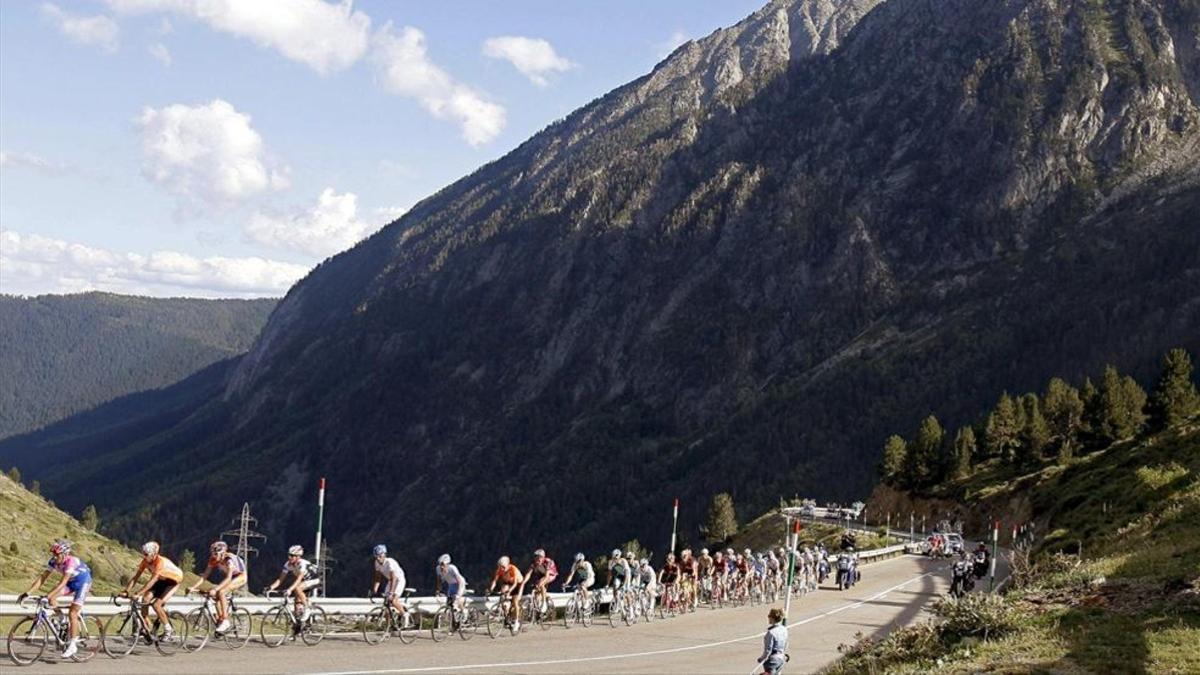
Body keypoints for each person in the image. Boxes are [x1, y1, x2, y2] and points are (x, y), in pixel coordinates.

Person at [19, 540, 92, 658]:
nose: (54, 557)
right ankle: (62, 620)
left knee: (72, 613)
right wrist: (27, 593)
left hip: (83, 582)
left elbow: (63, 582)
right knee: (51, 598)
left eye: (56, 555)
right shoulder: (53, 561)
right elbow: (42, 578)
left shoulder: (70, 562)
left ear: (64, 554)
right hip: (71, 582)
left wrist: (47, 595)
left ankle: (73, 645)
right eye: (53, 554)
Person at [123, 541, 183, 639]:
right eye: (143, 553)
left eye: (146, 554)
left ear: (154, 554)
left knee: (156, 605)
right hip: (162, 580)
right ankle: (148, 627)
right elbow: (135, 577)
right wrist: (126, 591)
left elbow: (152, 581)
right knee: (145, 599)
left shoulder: (160, 562)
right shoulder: (145, 561)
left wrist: (138, 593)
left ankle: (168, 630)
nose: (144, 556)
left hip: (173, 581)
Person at [187, 541, 246, 634]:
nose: (214, 556)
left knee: (221, 592)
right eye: (212, 554)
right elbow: (205, 576)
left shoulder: (228, 560)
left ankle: (225, 621)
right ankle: (221, 619)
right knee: (214, 595)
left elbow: (228, 578)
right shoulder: (213, 559)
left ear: (222, 553)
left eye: (216, 554)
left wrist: (216, 589)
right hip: (229, 577)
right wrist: (193, 587)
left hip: (240, 576)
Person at [265, 545, 319, 622]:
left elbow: (298, 579)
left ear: (298, 557)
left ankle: (307, 608)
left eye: (292, 556)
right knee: (296, 602)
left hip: (313, 579)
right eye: (289, 555)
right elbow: (280, 579)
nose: (289, 557)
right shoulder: (287, 564)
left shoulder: (302, 564)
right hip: (303, 581)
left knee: (297, 588)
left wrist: (289, 589)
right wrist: (270, 587)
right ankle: (298, 623)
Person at [369, 545, 410, 620]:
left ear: (384, 555)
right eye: (376, 556)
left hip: (399, 580)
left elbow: (394, 578)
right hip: (390, 580)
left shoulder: (390, 562)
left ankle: (405, 615)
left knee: (393, 600)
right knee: (386, 604)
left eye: (380, 556)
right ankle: (389, 626)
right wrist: (375, 589)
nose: (378, 558)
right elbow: (378, 578)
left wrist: (391, 593)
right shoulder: (376, 563)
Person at [488, 555, 525, 630]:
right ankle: (506, 615)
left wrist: (509, 591)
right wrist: (490, 589)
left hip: (518, 584)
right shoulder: (499, 570)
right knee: (502, 593)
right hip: (508, 583)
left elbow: (515, 583)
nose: (502, 569)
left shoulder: (513, 569)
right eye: (500, 567)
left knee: (515, 600)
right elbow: (495, 581)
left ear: (508, 565)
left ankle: (517, 621)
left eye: (503, 567)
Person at [522, 549, 558, 613]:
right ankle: (538, 605)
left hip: (551, 574)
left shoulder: (548, 562)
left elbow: (546, 576)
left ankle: (544, 603)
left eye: (540, 558)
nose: (537, 560)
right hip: (542, 574)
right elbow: (528, 574)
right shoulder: (533, 563)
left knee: (541, 584)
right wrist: (523, 582)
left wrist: (540, 584)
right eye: (536, 558)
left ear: (543, 558)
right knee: (537, 586)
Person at [757, 607, 789, 674]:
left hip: (772, 660)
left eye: (769, 616)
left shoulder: (771, 633)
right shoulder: (784, 629)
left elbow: (768, 650)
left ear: (772, 618)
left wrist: (762, 658)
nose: (768, 618)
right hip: (781, 658)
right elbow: (786, 643)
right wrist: (782, 653)